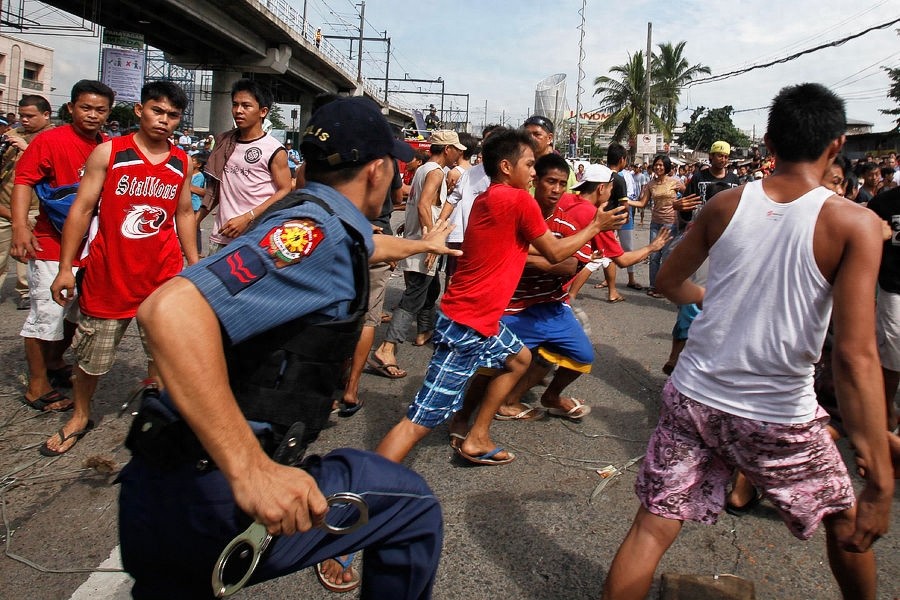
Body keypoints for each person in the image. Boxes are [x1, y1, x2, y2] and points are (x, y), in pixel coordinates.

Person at [119, 97, 445, 599]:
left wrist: (423, 246)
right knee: (409, 505)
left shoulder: (320, 218)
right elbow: (171, 310)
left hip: (167, 486)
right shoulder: (316, 232)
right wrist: (251, 469)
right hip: (208, 494)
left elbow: (363, 246)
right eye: (396, 167)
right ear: (378, 171)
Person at [601, 83, 894, 600]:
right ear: (836, 147)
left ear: (767, 141)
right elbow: (854, 354)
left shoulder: (727, 203)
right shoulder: (855, 223)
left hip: (693, 396)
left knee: (653, 525)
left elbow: (668, 281)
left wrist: (714, 300)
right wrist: (879, 470)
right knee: (847, 521)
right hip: (777, 412)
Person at [375, 128, 628, 466]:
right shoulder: (517, 198)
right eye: (529, 164)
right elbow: (554, 254)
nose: (534, 173)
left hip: (483, 320)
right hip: (468, 323)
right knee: (417, 423)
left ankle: (477, 437)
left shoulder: (487, 196)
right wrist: (595, 226)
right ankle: (360, 493)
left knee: (520, 358)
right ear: (507, 167)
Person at [44, 81, 200, 456]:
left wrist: (194, 264)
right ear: (139, 110)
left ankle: (158, 417)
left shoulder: (182, 161)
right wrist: (66, 268)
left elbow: (182, 213)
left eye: (172, 115)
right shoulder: (109, 153)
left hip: (161, 276)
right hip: (108, 274)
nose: (164, 121)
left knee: (162, 354)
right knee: (91, 359)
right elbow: (81, 210)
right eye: (157, 111)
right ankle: (81, 416)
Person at [10, 80, 114, 413]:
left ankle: (54, 364)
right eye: (86, 108)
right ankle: (37, 385)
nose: (93, 115)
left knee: (77, 311)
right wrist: (19, 228)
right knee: (47, 314)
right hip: (52, 243)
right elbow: (24, 181)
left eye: (100, 110)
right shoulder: (50, 141)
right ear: (70, 108)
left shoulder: (107, 145)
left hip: (89, 247)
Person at [370, 130, 464, 378]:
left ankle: (425, 330)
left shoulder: (423, 169)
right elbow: (424, 204)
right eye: (456, 149)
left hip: (415, 238)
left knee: (430, 288)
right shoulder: (434, 172)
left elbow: (415, 203)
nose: (459, 153)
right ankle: (387, 348)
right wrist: (430, 239)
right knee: (414, 295)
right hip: (423, 243)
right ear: (447, 149)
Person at [198, 79, 292, 254]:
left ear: (263, 111)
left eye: (246, 106)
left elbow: (285, 189)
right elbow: (216, 190)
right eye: (235, 105)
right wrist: (195, 220)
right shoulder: (224, 143)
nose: (238, 111)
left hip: (257, 240)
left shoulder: (274, 150)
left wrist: (248, 217)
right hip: (221, 238)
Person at [0, 94, 54, 311]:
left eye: (30, 116)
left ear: (46, 115)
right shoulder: (11, 135)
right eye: (22, 115)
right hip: (5, 204)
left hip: (35, 207)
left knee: (28, 257)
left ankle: (26, 291)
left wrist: (27, 148)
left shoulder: (53, 137)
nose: (24, 120)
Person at [627, 153, 684, 297]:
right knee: (653, 256)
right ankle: (653, 286)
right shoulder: (650, 185)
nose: (658, 167)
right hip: (655, 224)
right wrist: (626, 201)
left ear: (666, 166)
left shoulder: (675, 182)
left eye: (661, 164)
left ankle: (664, 287)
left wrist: (682, 208)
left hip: (671, 223)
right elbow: (642, 203)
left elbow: (688, 194)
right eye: (656, 164)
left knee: (666, 256)